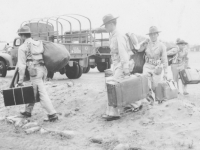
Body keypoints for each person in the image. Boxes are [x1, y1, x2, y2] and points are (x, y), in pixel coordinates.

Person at [17, 26, 58, 122]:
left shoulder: (22, 47)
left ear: (22, 35)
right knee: (33, 90)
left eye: (20, 35)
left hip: (35, 72)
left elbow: (21, 66)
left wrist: (20, 80)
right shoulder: (38, 43)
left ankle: (52, 114)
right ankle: (27, 111)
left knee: (41, 92)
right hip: (43, 70)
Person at [100, 14, 135, 121]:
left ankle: (114, 113)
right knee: (117, 86)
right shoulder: (112, 35)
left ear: (111, 24)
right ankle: (135, 104)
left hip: (121, 65)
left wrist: (125, 68)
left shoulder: (119, 35)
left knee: (112, 87)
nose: (105, 27)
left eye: (106, 25)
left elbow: (123, 53)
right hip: (116, 65)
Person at [138, 26, 168, 104]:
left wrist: (166, 72)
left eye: (154, 34)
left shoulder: (162, 45)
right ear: (149, 36)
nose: (153, 36)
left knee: (156, 86)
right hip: (147, 66)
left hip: (157, 68)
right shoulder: (146, 44)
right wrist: (143, 42)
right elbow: (138, 49)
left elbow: (165, 60)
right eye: (151, 34)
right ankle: (150, 101)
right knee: (146, 84)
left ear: (158, 34)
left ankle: (160, 100)